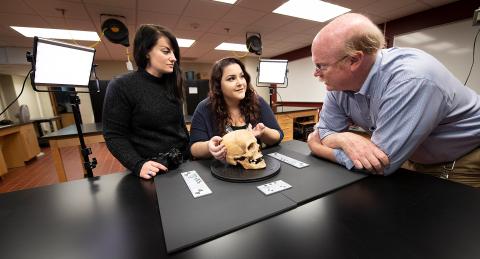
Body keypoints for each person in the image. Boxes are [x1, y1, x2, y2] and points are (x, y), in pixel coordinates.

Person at [307, 13, 480, 187]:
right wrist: (343, 138)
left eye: (321, 66)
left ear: (354, 60)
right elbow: (325, 130)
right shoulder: (338, 86)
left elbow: (380, 165)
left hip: (460, 157)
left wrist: (317, 147)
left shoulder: (410, 80)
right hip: (409, 154)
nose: (316, 73)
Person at [103, 24, 189, 180]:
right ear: (147, 51)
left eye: (174, 52)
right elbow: (114, 135)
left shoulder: (173, 84)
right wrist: (138, 164)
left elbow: (180, 127)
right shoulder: (122, 86)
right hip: (152, 171)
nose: (174, 58)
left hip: (183, 164)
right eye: (166, 51)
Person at [190, 57, 283, 160]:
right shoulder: (204, 108)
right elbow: (194, 148)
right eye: (231, 78)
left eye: (242, 76)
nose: (240, 83)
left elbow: (278, 135)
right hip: (220, 170)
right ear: (218, 85)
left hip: (254, 168)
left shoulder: (257, 101)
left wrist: (263, 132)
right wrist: (209, 147)